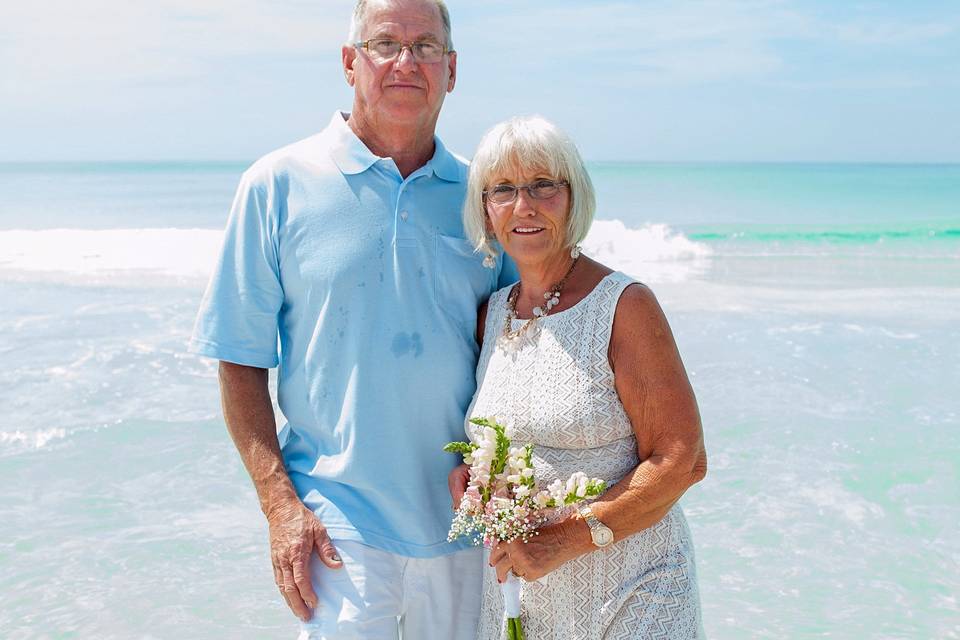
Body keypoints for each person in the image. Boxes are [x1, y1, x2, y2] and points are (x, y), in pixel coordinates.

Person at [190, 1, 514, 638]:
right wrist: (281, 506)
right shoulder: (276, 183)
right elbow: (238, 359)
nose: (405, 62)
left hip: (466, 524)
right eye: (385, 43)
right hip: (338, 520)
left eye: (425, 48)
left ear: (452, 71)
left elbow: (521, 345)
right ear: (349, 62)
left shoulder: (486, 198)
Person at [452, 116, 707, 639]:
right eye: (503, 189)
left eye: (544, 185)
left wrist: (565, 539)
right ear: (486, 208)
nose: (524, 205)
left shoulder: (625, 306)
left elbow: (684, 460)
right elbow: (507, 431)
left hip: (636, 592)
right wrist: (473, 477)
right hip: (527, 602)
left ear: (574, 196)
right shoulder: (492, 316)